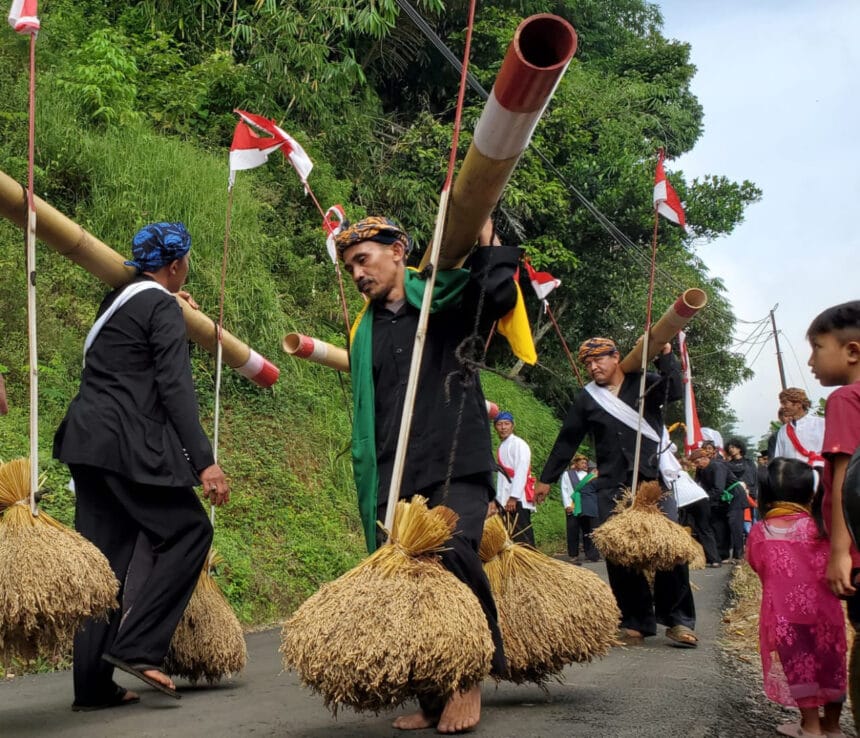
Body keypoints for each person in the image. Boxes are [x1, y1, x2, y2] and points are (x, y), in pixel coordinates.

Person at [336, 215, 519, 733]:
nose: (357, 274)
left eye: (363, 259)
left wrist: (488, 242)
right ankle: (432, 695)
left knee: (454, 551)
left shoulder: (444, 301)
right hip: (395, 467)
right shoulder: (365, 332)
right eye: (350, 267)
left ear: (398, 251)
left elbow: (497, 300)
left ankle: (469, 678)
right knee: (408, 577)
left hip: (455, 459)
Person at [53, 222, 229, 710]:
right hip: (127, 447)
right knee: (190, 530)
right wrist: (205, 464)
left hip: (86, 443)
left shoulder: (119, 300)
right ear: (175, 266)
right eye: (186, 262)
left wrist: (177, 314)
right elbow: (174, 388)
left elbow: (138, 363)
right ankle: (138, 646)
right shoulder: (160, 306)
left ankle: (91, 686)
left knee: (104, 566)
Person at [534, 336, 699, 648]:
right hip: (612, 484)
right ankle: (636, 621)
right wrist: (547, 479)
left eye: (599, 359)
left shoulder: (644, 383)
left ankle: (678, 621)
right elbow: (567, 439)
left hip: (654, 481)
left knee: (670, 551)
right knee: (619, 555)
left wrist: (664, 354)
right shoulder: (587, 399)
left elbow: (675, 390)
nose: (594, 367)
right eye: (588, 363)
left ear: (616, 357)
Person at [746, 457, 846, 738]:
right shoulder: (824, 530)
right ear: (811, 492)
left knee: (799, 667)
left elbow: (757, 565)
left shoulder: (760, 532)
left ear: (766, 493)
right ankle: (834, 727)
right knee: (832, 665)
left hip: (785, 617)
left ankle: (811, 726)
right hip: (826, 613)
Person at [493, 411, 536, 546]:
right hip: (505, 499)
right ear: (495, 427)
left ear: (513, 426)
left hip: (517, 499)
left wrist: (513, 497)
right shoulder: (502, 446)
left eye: (507, 424)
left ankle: (530, 565)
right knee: (511, 537)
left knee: (522, 536)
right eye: (500, 424)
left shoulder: (519, 444)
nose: (503, 427)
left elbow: (521, 471)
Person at [560, 455, 599, 562]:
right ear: (576, 463)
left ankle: (589, 553)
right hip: (572, 505)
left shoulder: (589, 475)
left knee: (587, 530)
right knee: (572, 529)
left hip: (585, 506)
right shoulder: (567, 475)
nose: (585, 465)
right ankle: (573, 554)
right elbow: (564, 490)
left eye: (585, 463)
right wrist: (567, 505)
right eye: (582, 463)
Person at [774, 387, 825, 466]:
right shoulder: (783, 431)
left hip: (818, 473)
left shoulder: (820, 423)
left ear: (798, 404)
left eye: (785, 403)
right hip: (792, 476)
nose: (782, 407)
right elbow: (779, 459)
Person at [725, 437, 756, 553]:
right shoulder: (728, 464)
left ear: (739, 448)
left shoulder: (749, 462)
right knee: (738, 523)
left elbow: (754, 478)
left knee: (750, 522)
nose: (731, 449)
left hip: (750, 494)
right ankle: (737, 549)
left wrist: (752, 491)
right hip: (735, 495)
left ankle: (751, 547)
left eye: (733, 447)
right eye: (730, 448)